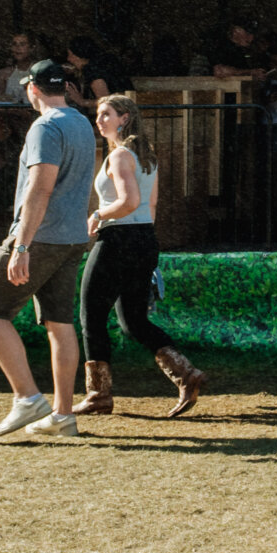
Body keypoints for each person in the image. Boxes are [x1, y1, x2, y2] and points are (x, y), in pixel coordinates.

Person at [0, 60, 100, 443]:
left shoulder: (45, 126)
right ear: (63, 87)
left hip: (42, 236)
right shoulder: (80, 121)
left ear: (32, 89)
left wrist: (21, 245)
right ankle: (63, 414)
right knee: (60, 323)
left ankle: (28, 398)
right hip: (71, 235)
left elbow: (39, 188)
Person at [72, 93, 208, 419]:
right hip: (144, 238)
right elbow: (152, 205)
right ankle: (187, 375)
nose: (99, 120)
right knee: (132, 321)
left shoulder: (120, 157)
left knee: (91, 315)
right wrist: (145, 245)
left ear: (125, 118)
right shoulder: (147, 157)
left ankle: (98, 396)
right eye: (98, 114)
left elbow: (129, 201)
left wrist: (98, 215)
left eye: (106, 114)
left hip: (118, 240)